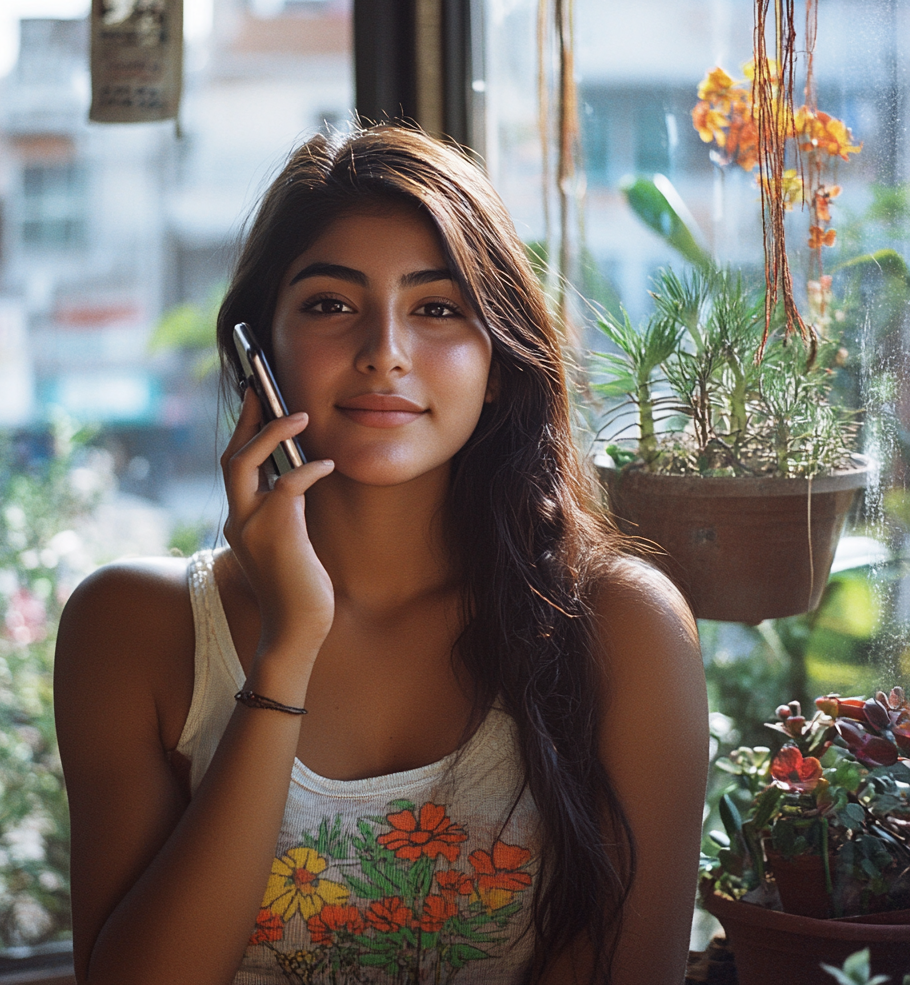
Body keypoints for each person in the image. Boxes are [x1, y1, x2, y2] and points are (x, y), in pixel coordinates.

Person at [54, 125, 708, 985]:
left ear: (502, 363)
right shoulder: (131, 627)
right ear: (261, 355)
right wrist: (287, 651)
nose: (385, 352)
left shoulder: (623, 628)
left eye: (436, 309)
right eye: (331, 304)